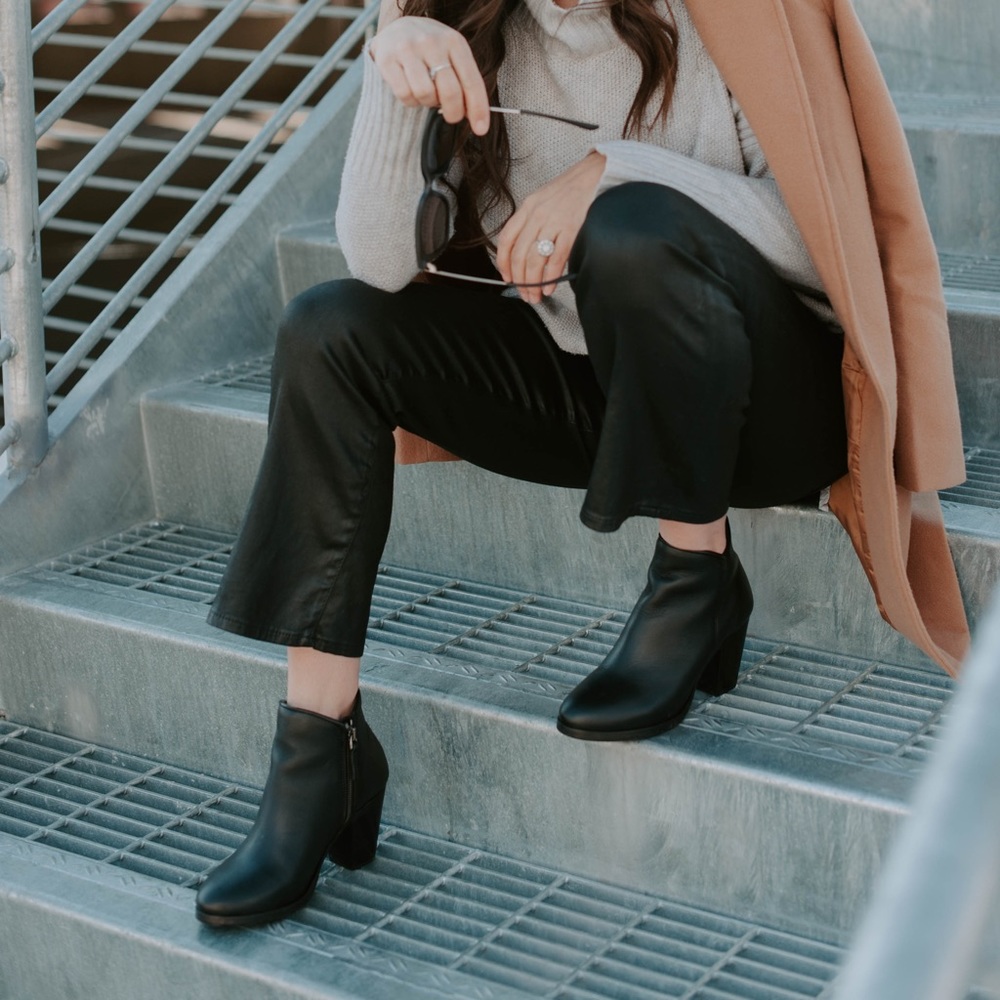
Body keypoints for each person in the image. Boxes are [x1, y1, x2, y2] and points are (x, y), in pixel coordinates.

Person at [194, 0, 970, 928]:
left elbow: (821, 235)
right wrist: (393, 56)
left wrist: (611, 174)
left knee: (634, 226)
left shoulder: (731, 17)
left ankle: (695, 574)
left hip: (763, 403)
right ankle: (321, 751)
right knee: (326, 331)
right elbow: (379, 261)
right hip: (596, 385)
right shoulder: (479, 24)